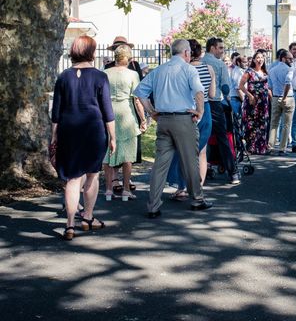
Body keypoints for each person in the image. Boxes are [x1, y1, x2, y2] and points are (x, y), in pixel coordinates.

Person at [134, 38, 212, 217]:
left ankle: (153, 205)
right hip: (183, 120)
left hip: (163, 120)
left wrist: (152, 112)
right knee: (190, 162)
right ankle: (197, 199)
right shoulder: (189, 69)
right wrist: (200, 112)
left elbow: (140, 92)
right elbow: (199, 92)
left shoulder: (159, 70)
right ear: (186, 53)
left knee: (160, 165)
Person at [51, 35, 115, 240]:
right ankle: (87, 216)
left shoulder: (63, 77)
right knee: (92, 174)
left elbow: (56, 112)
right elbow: (107, 111)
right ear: (92, 52)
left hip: (68, 129)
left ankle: (69, 225)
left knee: (72, 178)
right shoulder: (99, 77)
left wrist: (54, 136)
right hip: (93, 130)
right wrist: (113, 136)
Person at [166, 39, 215, 197]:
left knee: (183, 151)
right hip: (205, 110)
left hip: (188, 111)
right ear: (199, 52)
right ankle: (198, 187)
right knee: (201, 152)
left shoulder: (183, 70)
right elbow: (212, 95)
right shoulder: (209, 68)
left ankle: (182, 188)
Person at [103, 44, 146, 202]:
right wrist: (142, 119)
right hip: (126, 114)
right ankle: (126, 190)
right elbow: (137, 100)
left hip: (108, 114)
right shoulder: (133, 74)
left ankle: (108, 190)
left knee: (108, 155)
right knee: (128, 156)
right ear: (128, 58)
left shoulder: (104, 73)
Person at [202, 37, 240, 184]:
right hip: (215, 103)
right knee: (222, 137)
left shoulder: (196, 63)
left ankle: (201, 170)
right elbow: (225, 87)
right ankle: (232, 172)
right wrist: (229, 101)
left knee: (201, 138)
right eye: (221, 48)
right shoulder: (219, 65)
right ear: (212, 48)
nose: (223, 51)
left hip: (197, 104)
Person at [239, 51, 271, 154]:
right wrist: (250, 95)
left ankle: (261, 148)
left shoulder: (265, 72)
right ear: (253, 60)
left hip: (264, 102)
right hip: (252, 102)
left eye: (261, 57)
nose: (260, 59)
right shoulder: (249, 71)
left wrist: (271, 97)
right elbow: (241, 86)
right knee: (251, 124)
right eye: (257, 57)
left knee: (263, 124)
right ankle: (251, 148)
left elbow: (267, 87)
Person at [268, 50, 295, 155]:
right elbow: (288, 83)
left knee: (274, 123)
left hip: (275, 97)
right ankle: (282, 148)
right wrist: (284, 97)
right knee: (286, 124)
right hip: (287, 97)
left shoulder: (272, 70)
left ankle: (270, 147)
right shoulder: (289, 69)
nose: (291, 60)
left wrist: (273, 97)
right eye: (290, 58)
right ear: (283, 58)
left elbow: (269, 86)